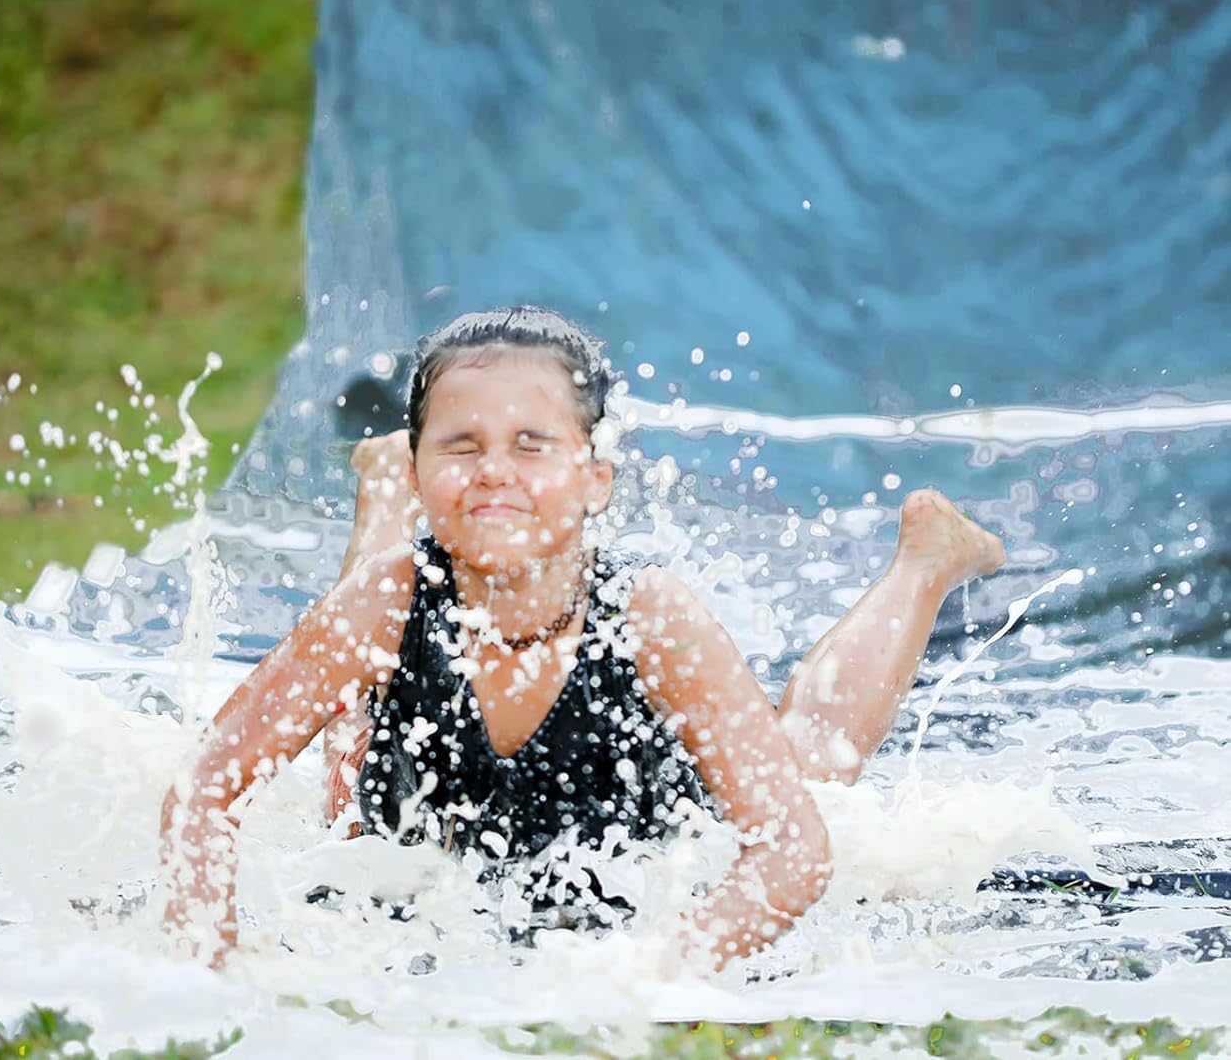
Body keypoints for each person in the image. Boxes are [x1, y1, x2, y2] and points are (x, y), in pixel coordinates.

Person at [160, 307, 1004, 967]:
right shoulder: (383, 601)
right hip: (410, 674)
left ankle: (923, 563)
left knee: (808, 759)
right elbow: (205, 788)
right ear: (425, 471)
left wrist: (650, 975)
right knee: (350, 784)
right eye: (460, 446)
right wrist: (208, 959)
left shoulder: (650, 618)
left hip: (644, 828)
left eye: (531, 445)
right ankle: (385, 489)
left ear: (595, 478)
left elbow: (793, 850)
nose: (495, 469)